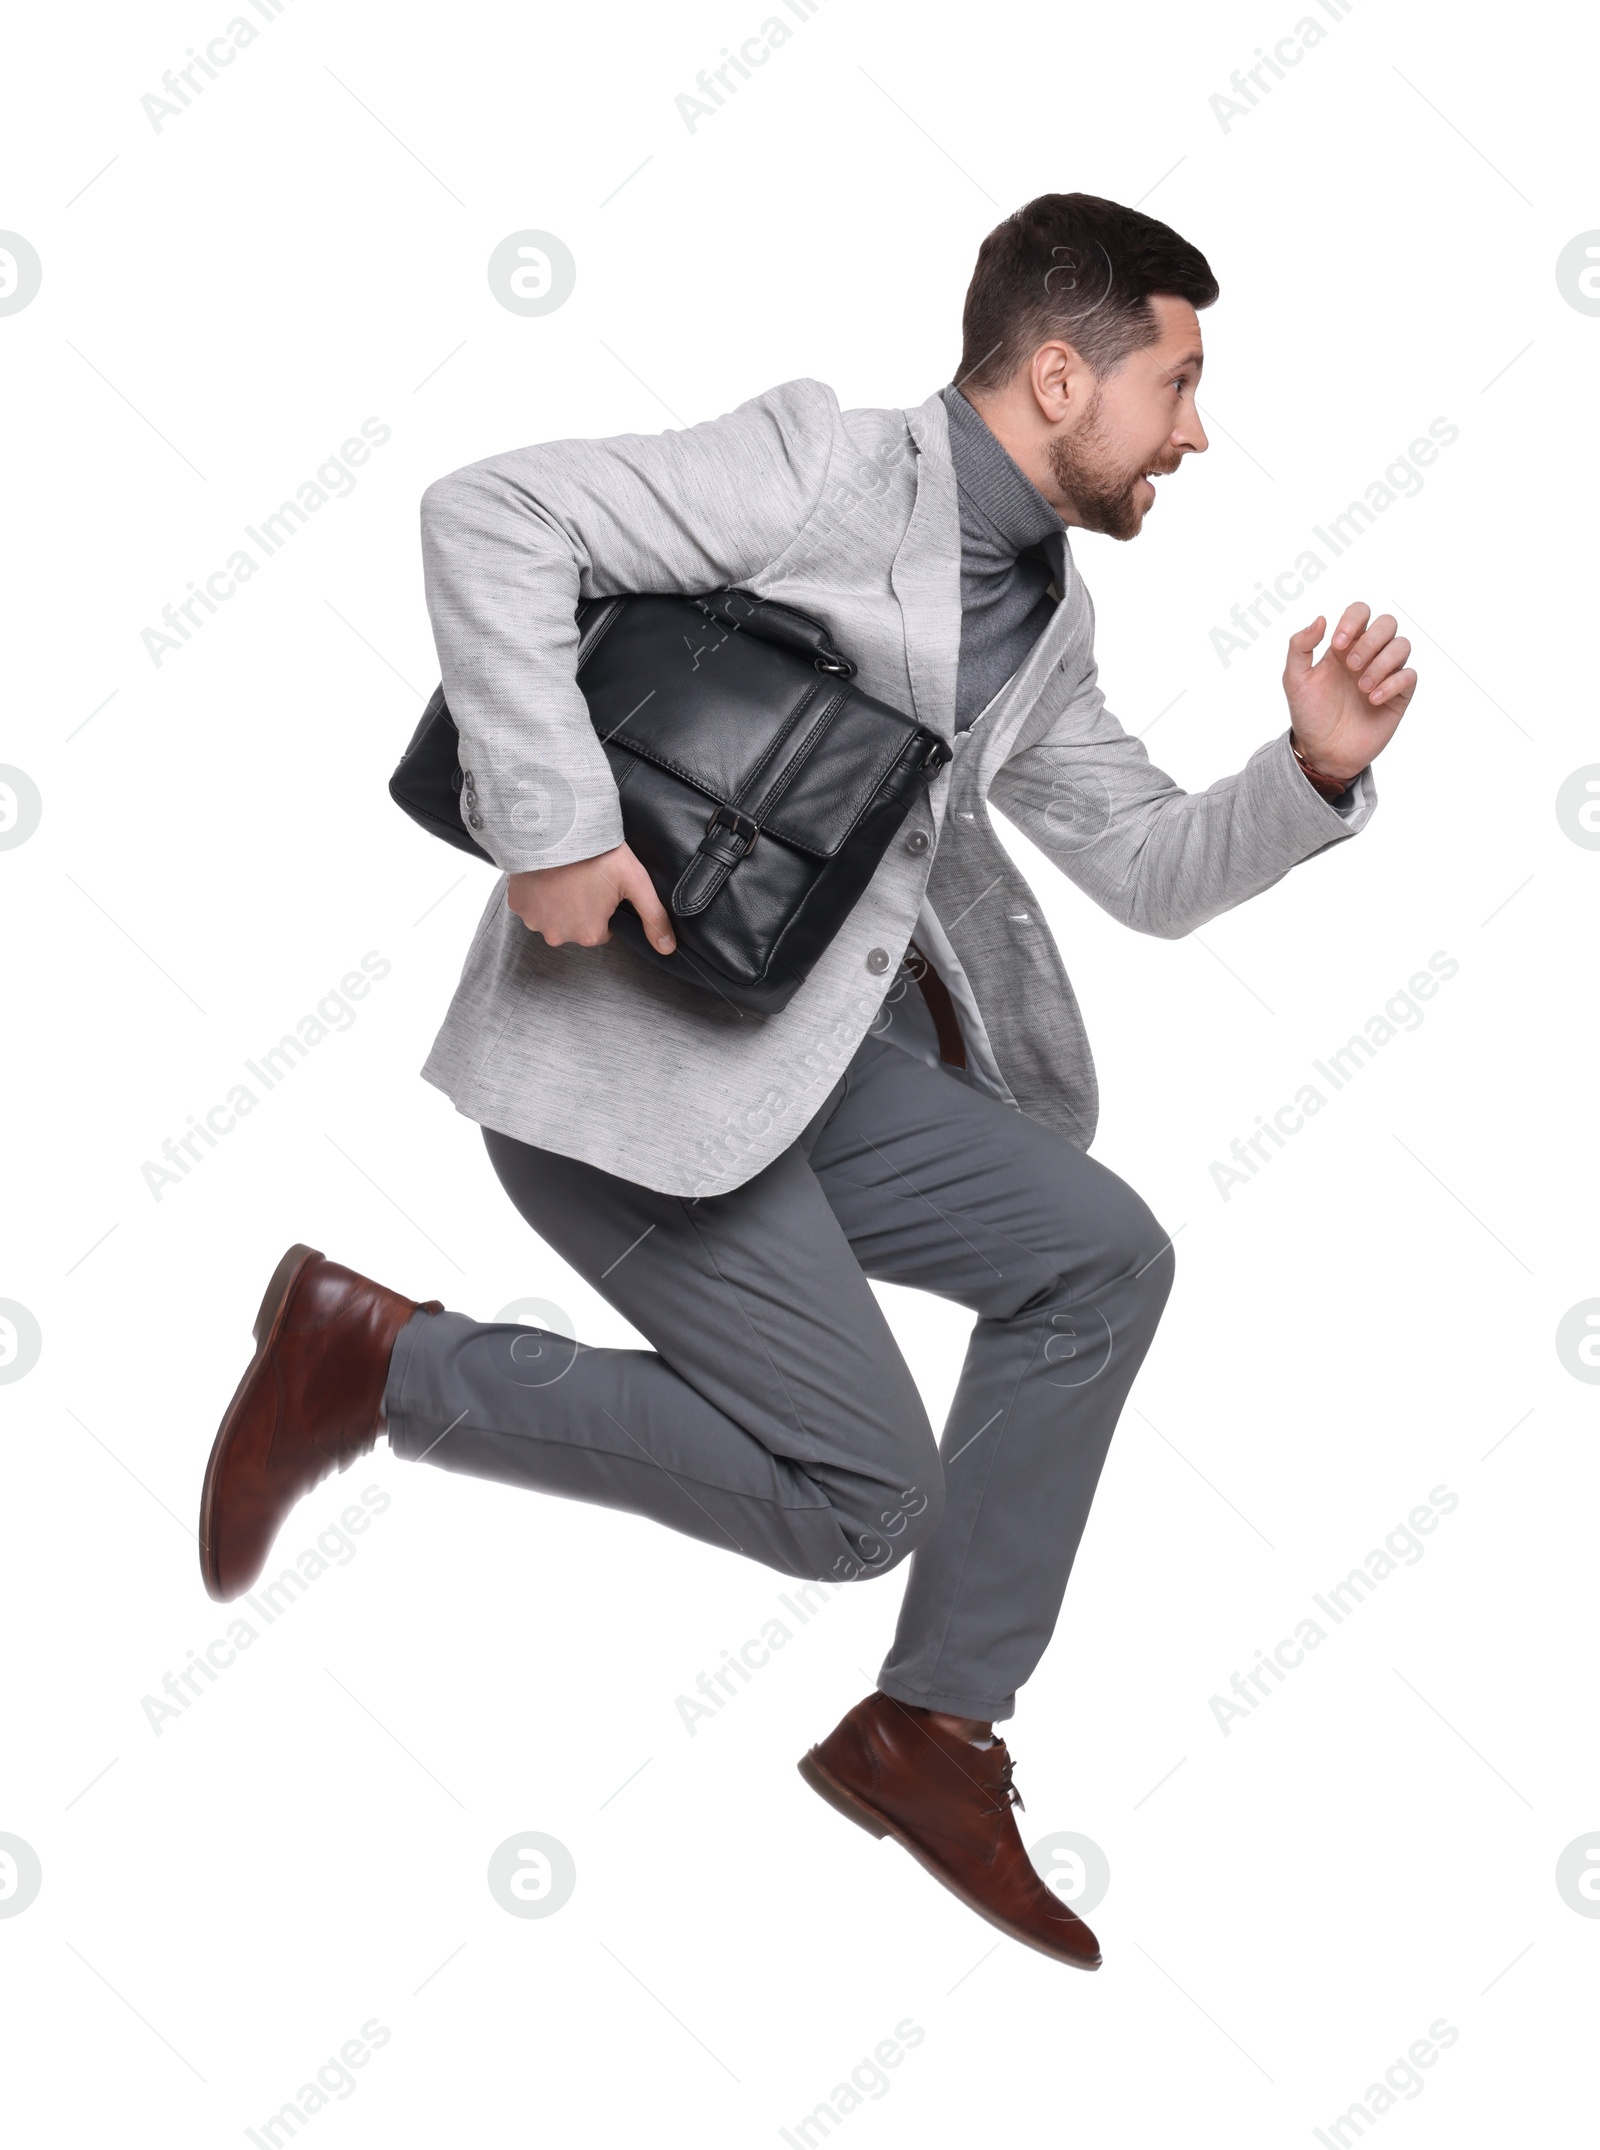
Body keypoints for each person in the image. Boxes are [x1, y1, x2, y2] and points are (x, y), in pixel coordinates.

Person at [197, 192, 1415, 1969]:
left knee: (1100, 1256)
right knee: (866, 1498)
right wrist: (549, 822)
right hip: (620, 1076)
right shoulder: (822, 466)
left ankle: (933, 1731)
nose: (1200, 430)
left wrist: (1307, 774)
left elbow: (1147, 865)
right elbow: (494, 512)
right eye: (1182, 382)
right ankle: (380, 1364)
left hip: (808, 1065)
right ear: (1063, 375)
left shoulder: (1042, 621)